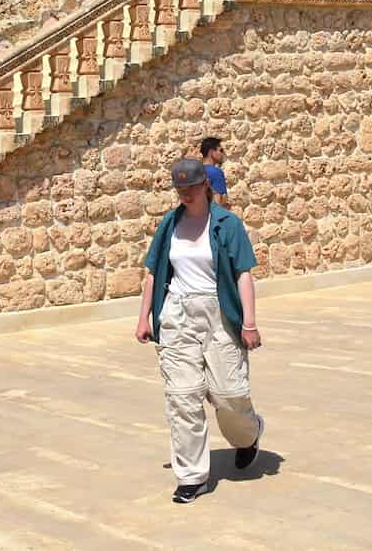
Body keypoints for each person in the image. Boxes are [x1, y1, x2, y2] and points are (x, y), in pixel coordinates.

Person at [135, 157, 265, 503]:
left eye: (191, 188)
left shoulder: (227, 224)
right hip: (177, 315)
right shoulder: (170, 223)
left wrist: (249, 323)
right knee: (183, 397)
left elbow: (244, 274)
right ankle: (191, 477)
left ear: (205, 185)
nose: (185, 194)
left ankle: (248, 435)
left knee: (228, 394)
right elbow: (152, 272)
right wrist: (144, 318)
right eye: (180, 189)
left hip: (219, 313)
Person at [199, 136, 228, 201]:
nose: (223, 154)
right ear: (211, 152)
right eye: (221, 150)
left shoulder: (196, 171)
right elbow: (219, 202)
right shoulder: (216, 172)